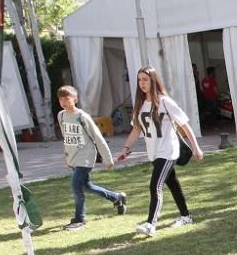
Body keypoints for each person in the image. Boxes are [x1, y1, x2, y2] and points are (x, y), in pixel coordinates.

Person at [117, 66, 204, 237]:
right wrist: (126, 149)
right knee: (173, 184)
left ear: (153, 81)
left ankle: (151, 224)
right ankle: (186, 216)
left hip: (168, 151)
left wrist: (196, 148)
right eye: (139, 80)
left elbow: (185, 125)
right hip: (154, 152)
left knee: (155, 186)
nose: (142, 83)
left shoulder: (165, 102)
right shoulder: (141, 104)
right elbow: (136, 129)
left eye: (145, 79)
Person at [56, 85, 126, 230]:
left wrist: (108, 158)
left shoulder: (82, 117)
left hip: (85, 158)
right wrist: (67, 157)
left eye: (67, 98)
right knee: (87, 186)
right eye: (61, 99)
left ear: (75, 99)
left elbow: (98, 138)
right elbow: (66, 138)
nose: (64, 102)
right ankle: (116, 198)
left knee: (76, 186)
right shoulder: (61, 115)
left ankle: (79, 219)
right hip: (74, 158)